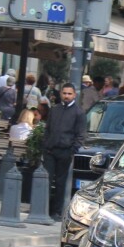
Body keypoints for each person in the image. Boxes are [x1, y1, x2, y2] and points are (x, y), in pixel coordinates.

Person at [42, 82, 86, 220]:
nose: (66, 96)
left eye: (69, 94)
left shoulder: (79, 113)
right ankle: (44, 209)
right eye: (64, 93)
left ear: (74, 95)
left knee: (61, 182)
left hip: (65, 151)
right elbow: (47, 129)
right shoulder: (55, 110)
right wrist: (46, 146)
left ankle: (56, 211)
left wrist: (72, 150)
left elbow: (81, 134)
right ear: (60, 94)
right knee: (46, 180)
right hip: (50, 150)